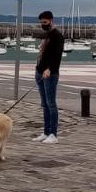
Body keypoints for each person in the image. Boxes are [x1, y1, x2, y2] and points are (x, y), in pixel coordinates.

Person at [34, 11, 64, 144]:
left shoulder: (57, 36)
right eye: (41, 23)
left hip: (50, 74)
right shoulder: (46, 35)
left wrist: (49, 69)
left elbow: (57, 55)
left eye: (45, 22)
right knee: (44, 104)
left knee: (51, 103)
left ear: (51, 20)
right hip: (40, 71)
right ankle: (46, 132)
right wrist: (38, 68)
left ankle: (53, 133)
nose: (43, 25)